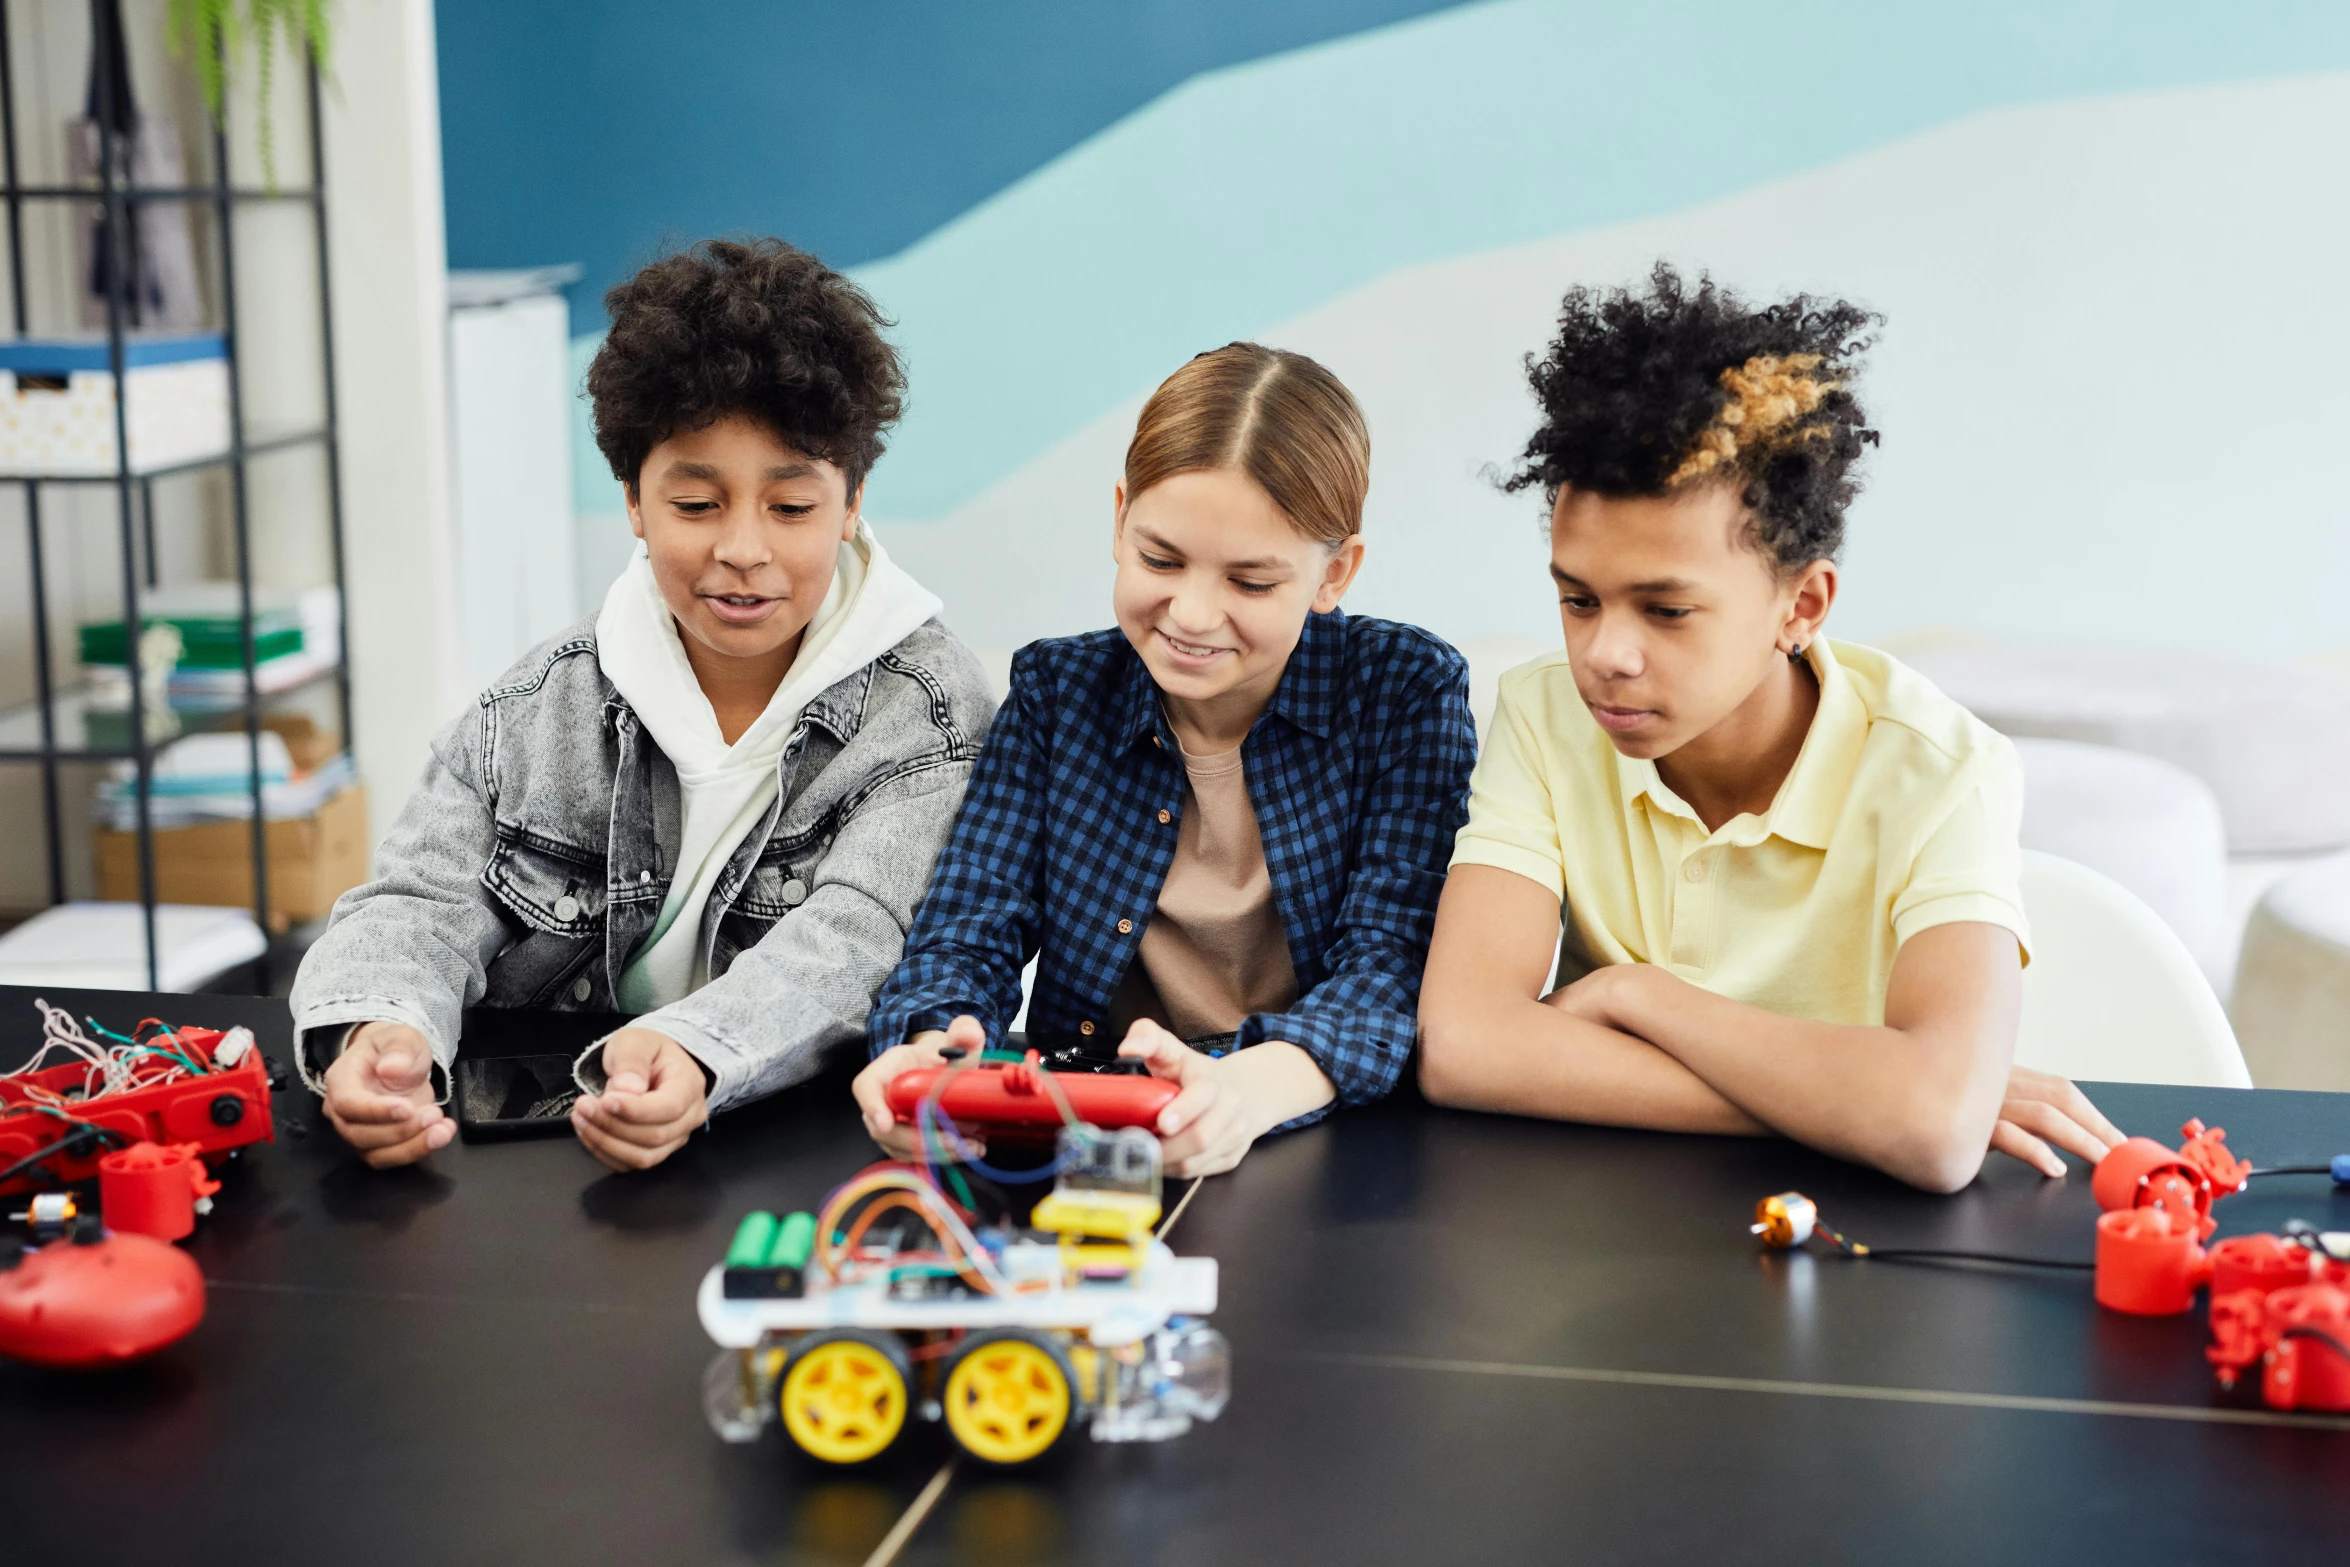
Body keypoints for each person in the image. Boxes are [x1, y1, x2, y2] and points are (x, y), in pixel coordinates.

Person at [289, 238, 995, 1173]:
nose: (744, 548)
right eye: (697, 504)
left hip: (797, 1156)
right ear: (633, 500)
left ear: (854, 500)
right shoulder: (542, 705)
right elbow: (418, 902)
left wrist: (696, 1048)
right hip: (552, 1154)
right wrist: (381, 1029)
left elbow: (859, 937)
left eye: (792, 509)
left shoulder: (929, 715)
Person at [1417, 266, 2123, 1193]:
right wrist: (1849, 1103)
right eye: (1578, 599)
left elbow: (1937, 1130)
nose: (1606, 655)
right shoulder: (1544, 715)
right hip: (1600, 1227)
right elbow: (1463, 1046)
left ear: (1802, 603)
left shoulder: (1946, 770)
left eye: (1665, 611)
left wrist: (1641, 996)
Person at [855, 343, 1477, 1177]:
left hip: (1307, 1121)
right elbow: (965, 931)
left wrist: (1241, 1094)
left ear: (1335, 573)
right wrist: (934, 1057)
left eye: (1251, 582)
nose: (1191, 613)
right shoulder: (1057, 690)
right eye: (1160, 559)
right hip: (1090, 1126)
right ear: (1119, 520)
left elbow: (1391, 968)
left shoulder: (1405, 690)